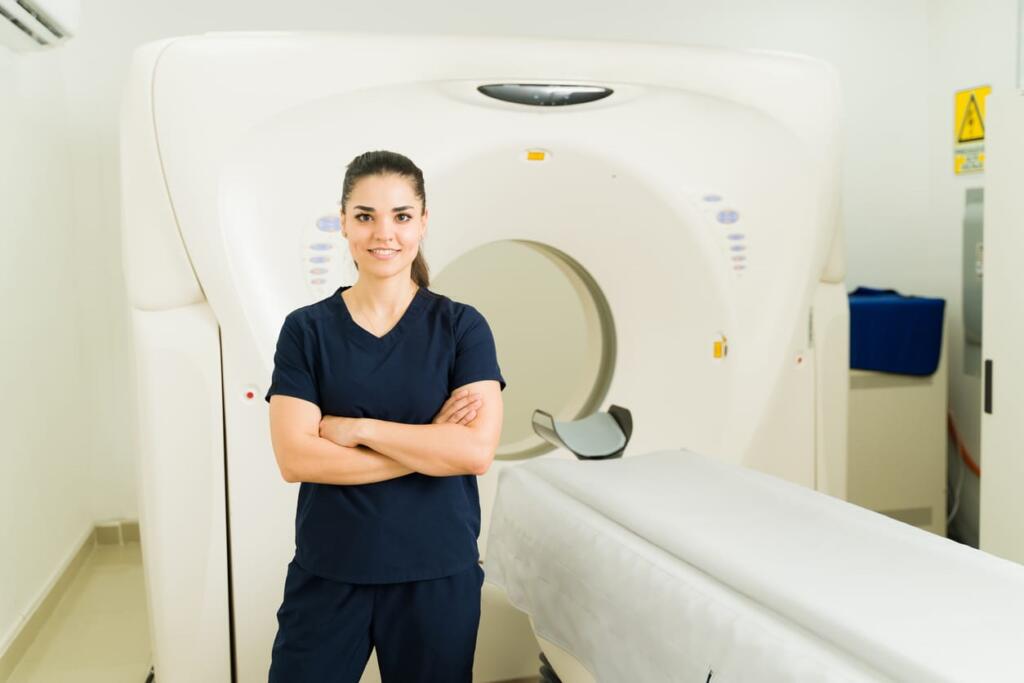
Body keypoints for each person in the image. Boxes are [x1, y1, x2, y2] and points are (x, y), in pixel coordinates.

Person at [264, 150, 506, 682]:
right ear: (344, 222)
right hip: (331, 569)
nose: (384, 234)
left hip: (436, 573)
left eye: (400, 216)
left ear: (422, 222)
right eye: (365, 216)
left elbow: (474, 452)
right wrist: (429, 446)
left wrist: (360, 430)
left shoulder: (462, 328)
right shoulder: (306, 331)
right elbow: (295, 456)